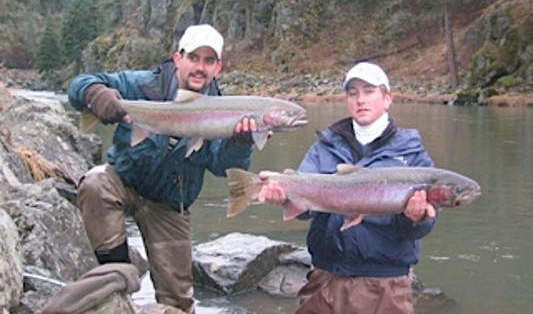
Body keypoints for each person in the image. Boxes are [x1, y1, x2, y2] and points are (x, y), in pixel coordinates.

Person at [68, 24, 259, 313]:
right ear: (177, 58)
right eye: (193, 58)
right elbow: (79, 85)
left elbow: (223, 167)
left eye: (208, 61)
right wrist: (97, 95)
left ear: (218, 67)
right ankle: (117, 279)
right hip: (124, 183)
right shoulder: (143, 85)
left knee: (179, 303)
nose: (200, 68)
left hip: (171, 205)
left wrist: (241, 143)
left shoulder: (223, 109)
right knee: (96, 182)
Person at [258, 62, 437, 314]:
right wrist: (285, 197)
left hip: (385, 287)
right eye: (353, 93)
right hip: (323, 281)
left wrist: (416, 218)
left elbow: (426, 225)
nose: (360, 100)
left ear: (387, 99)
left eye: (369, 91)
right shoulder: (324, 147)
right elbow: (306, 210)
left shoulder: (412, 154)